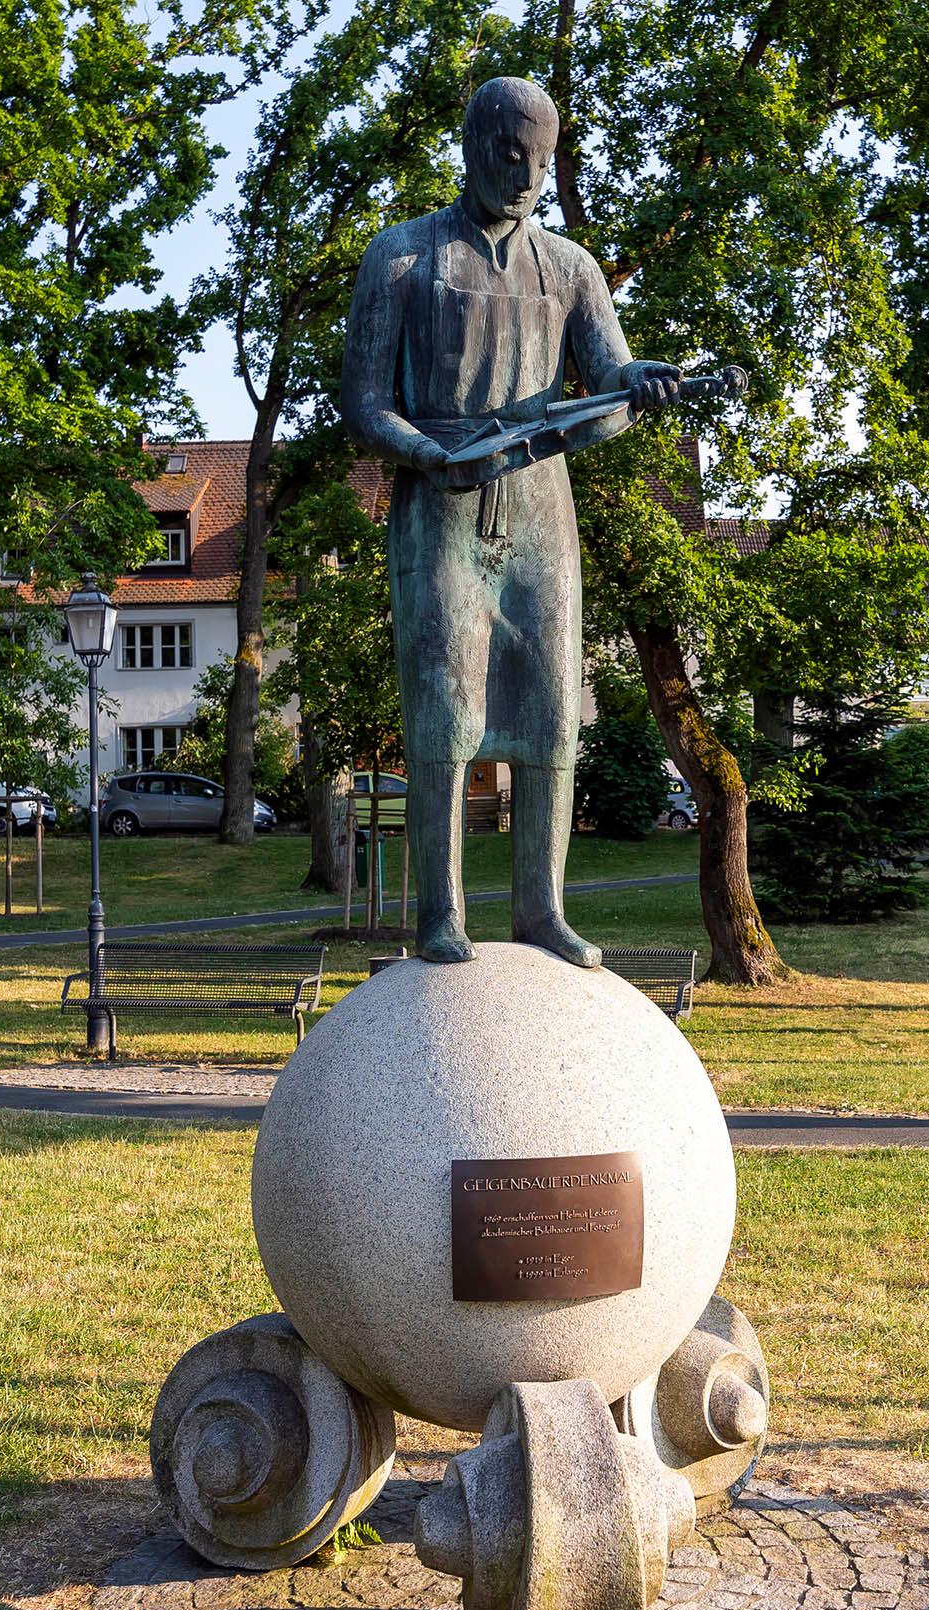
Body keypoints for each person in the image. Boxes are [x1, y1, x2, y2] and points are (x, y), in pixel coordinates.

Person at [341, 75, 685, 967]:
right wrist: (427, 452)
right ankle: (439, 914)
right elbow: (366, 401)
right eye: (510, 153)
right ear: (473, 144)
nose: (528, 173)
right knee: (445, 711)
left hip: (542, 505)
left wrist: (638, 383)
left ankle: (542, 910)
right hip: (443, 506)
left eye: (544, 159)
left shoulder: (571, 268)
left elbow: (608, 377)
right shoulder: (403, 256)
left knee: (547, 716)